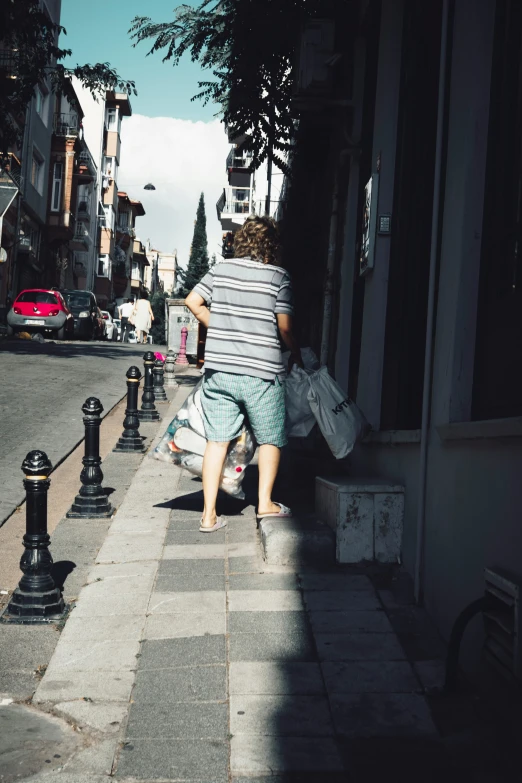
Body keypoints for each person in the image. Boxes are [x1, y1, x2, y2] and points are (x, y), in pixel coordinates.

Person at [185, 215, 303, 533]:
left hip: (220, 371)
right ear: (272, 244)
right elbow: (284, 327)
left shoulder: (220, 271)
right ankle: (265, 504)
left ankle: (208, 515)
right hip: (262, 373)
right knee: (270, 439)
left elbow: (192, 301)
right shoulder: (279, 276)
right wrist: (298, 352)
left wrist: (219, 325)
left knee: (217, 441)